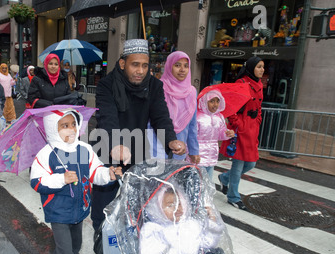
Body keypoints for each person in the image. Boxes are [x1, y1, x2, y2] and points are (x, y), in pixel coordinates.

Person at [91, 39, 186, 231]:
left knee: (138, 199)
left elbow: (161, 116)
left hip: (137, 146)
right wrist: (115, 145)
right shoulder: (106, 84)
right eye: (135, 65)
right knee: (104, 200)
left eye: (144, 66)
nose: (140, 71)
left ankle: (133, 240)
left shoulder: (154, 86)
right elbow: (107, 117)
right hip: (108, 143)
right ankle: (101, 239)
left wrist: (171, 139)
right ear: (122, 63)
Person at [29, 108, 122, 254]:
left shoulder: (84, 149)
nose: (71, 129)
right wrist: (60, 179)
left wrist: (108, 174)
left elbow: (95, 172)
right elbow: (36, 181)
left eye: (73, 124)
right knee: (64, 253)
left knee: (75, 247)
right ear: (53, 129)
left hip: (80, 210)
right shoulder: (47, 153)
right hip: (58, 213)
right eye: (64, 126)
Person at [218, 56, 264, 210]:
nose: (262, 70)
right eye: (258, 67)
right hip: (241, 130)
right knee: (238, 166)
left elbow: (259, 108)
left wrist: (257, 120)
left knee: (251, 163)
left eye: (263, 67)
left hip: (252, 130)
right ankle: (233, 196)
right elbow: (230, 106)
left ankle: (224, 178)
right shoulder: (242, 83)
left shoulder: (259, 85)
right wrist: (239, 123)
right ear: (251, 68)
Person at [149, 51, 200, 163]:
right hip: (156, 148)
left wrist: (194, 150)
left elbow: (192, 124)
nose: (182, 70)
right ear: (169, 66)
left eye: (186, 66)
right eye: (177, 65)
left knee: (173, 179)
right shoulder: (158, 87)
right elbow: (151, 120)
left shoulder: (191, 92)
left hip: (179, 150)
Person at [191, 89, 235, 179]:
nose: (215, 104)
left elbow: (220, 134)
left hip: (212, 155)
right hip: (198, 157)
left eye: (217, 101)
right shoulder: (198, 117)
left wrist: (227, 134)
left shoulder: (219, 117)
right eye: (212, 101)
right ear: (204, 102)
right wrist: (192, 152)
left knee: (208, 183)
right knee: (198, 185)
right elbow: (191, 136)